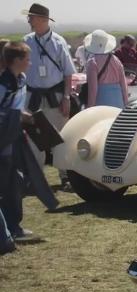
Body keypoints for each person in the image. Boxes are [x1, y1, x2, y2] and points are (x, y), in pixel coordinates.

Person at [22, 3, 76, 188]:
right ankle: (37, 179)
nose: (29, 20)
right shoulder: (26, 41)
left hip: (56, 97)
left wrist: (67, 98)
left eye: (32, 17)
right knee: (34, 139)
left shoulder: (59, 42)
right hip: (33, 98)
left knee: (59, 139)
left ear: (43, 19)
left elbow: (69, 73)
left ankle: (65, 176)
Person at [0, 41, 36, 246]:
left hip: (15, 137)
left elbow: (16, 108)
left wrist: (26, 117)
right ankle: (6, 230)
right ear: (16, 60)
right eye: (27, 59)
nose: (29, 63)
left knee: (17, 181)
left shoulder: (20, 80)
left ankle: (14, 225)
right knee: (5, 184)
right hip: (4, 139)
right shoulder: (3, 83)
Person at [83, 30, 128, 108]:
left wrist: (90, 108)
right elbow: (124, 85)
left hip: (101, 101)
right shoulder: (116, 60)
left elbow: (93, 89)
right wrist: (125, 102)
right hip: (117, 101)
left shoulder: (92, 62)